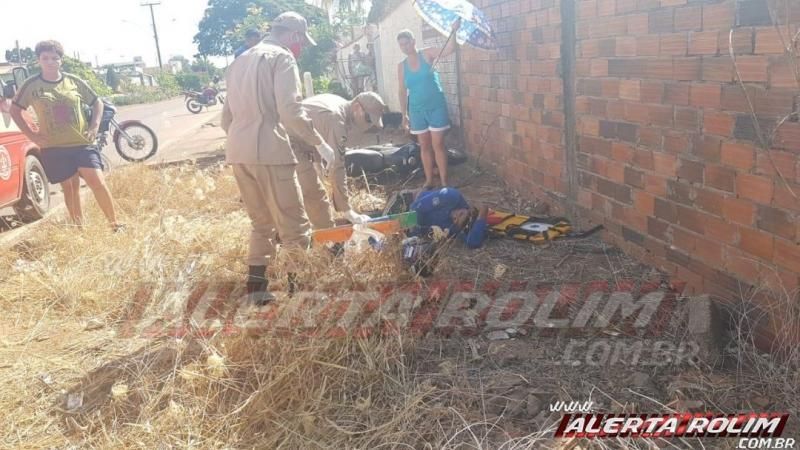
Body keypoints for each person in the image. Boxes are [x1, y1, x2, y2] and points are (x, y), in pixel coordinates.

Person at [222, 11, 335, 303]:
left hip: (237, 151)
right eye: (302, 43)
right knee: (294, 227)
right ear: (294, 36)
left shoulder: (239, 60)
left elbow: (226, 119)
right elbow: (290, 112)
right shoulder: (282, 58)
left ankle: (256, 291)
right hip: (270, 151)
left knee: (261, 223)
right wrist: (319, 143)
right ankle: (301, 296)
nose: (302, 49)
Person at [10, 40, 123, 230]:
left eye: (55, 58)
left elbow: (97, 103)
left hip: (81, 143)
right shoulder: (31, 85)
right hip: (54, 147)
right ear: (38, 60)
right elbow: (15, 110)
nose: (50, 62)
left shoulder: (73, 81)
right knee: (70, 189)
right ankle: (79, 229)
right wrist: (32, 135)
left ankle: (115, 224)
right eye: (45, 58)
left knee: (97, 181)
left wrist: (94, 126)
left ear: (61, 60)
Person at [291, 91, 387, 228]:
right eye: (368, 119)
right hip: (287, 142)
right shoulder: (337, 120)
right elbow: (337, 167)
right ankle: (326, 239)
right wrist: (347, 211)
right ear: (356, 107)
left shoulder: (339, 102)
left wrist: (317, 163)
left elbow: (317, 127)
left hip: (296, 140)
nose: (369, 126)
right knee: (314, 194)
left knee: (309, 191)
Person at [397, 20, 461, 189]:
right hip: (417, 110)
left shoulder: (427, 54)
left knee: (438, 144)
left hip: (435, 106)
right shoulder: (401, 67)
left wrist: (453, 32)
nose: (404, 47)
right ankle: (429, 180)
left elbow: (450, 49)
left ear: (413, 42)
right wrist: (404, 115)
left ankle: (445, 180)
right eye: (401, 45)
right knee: (424, 146)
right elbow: (402, 91)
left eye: (406, 43)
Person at [409, 187, 488, 249]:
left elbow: (474, 242)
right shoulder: (451, 196)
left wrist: (482, 214)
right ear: (468, 209)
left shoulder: (460, 227)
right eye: (461, 213)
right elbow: (416, 207)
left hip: (419, 224)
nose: (455, 217)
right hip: (412, 202)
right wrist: (414, 235)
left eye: (455, 220)